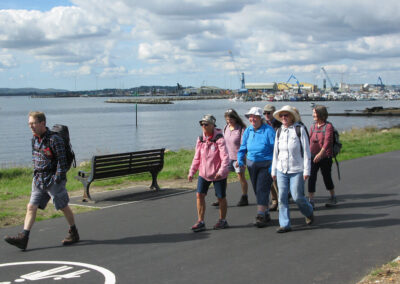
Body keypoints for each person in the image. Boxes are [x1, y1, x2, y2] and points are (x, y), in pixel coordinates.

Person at [4, 111, 79, 250]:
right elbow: (36, 158)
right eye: (29, 124)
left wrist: (57, 179)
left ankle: (73, 232)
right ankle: (23, 238)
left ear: (42, 123)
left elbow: (62, 162)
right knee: (31, 207)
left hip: (53, 180)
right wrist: (35, 174)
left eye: (33, 123)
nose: (31, 126)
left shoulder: (54, 139)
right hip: (38, 179)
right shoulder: (34, 139)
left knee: (63, 206)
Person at [271, 105, 314, 233]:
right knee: (282, 197)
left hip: (296, 169)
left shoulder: (299, 130)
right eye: (282, 116)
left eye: (287, 115)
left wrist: (307, 170)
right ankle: (284, 224)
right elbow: (275, 153)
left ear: (292, 117)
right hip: (281, 169)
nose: (284, 117)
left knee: (297, 197)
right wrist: (273, 170)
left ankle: (309, 211)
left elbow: (306, 152)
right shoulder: (279, 132)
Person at [188, 114, 230, 232]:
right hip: (204, 173)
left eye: (206, 124)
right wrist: (192, 171)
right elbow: (197, 157)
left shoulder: (219, 139)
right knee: (199, 195)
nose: (203, 126)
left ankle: (222, 220)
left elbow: (225, 157)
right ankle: (200, 221)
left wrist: (221, 171)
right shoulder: (200, 139)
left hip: (218, 174)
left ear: (212, 125)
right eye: (202, 124)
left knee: (221, 197)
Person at [237, 107, 275, 228]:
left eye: (255, 116)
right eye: (250, 117)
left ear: (260, 118)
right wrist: (240, 159)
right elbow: (242, 147)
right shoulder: (248, 131)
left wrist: (273, 165)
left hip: (266, 163)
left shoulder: (269, 130)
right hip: (251, 164)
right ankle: (266, 212)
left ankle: (260, 215)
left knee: (261, 189)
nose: (252, 119)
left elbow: (276, 149)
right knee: (257, 190)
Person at [211, 109, 248, 207]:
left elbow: (244, 145)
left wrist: (240, 159)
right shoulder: (225, 127)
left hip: (237, 158)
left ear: (235, 118)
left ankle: (245, 197)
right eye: (227, 119)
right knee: (223, 178)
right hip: (227, 158)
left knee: (241, 177)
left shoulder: (241, 128)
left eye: (231, 118)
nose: (229, 121)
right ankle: (221, 197)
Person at [308, 105, 337, 208]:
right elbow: (309, 140)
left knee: (326, 177)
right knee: (311, 177)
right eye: (313, 113)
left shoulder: (328, 126)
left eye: (315, 113)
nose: (313, 115)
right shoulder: (312, 126)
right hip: (312, 156)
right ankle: (311, 200)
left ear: (321, 114)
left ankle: (333, 196)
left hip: (325, 157)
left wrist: (320, 154)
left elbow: (328, 142)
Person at [263, 104, 281, 211]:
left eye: (268, 113)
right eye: (264, 113)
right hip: (267, 154)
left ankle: (281, 199)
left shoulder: (279, 124)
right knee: (269, 180)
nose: (266, 115)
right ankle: (274, 199)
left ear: (274, 113)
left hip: (278, 154)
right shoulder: (263, 124)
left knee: (277, 179)